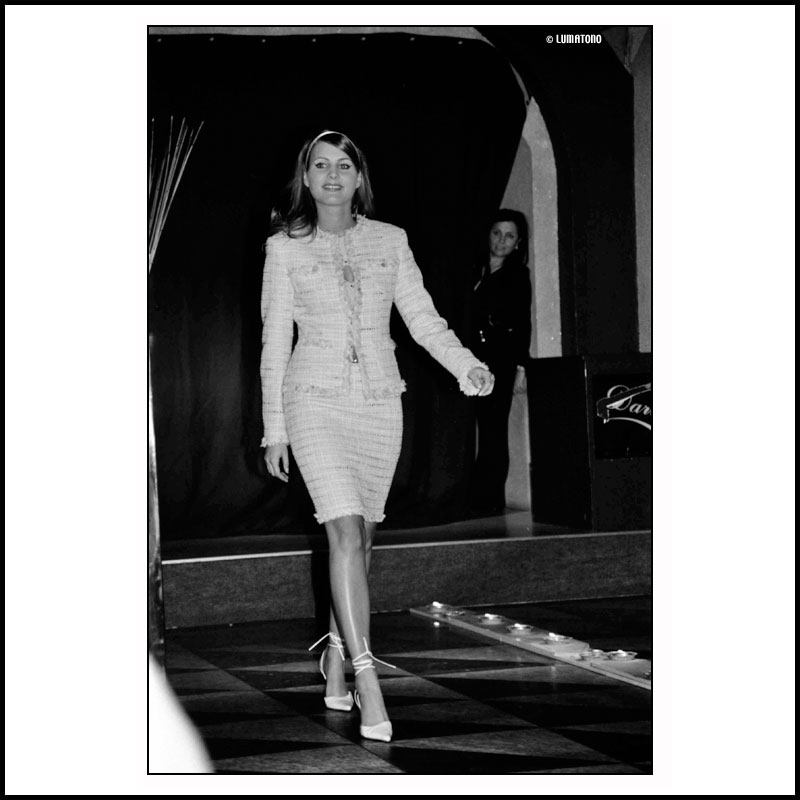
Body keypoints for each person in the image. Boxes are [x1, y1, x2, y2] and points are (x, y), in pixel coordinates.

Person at [260, 130, 494, 743]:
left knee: (362, 539)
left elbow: (423, 319)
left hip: (379, 405)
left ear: (359, 177)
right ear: (305, 178)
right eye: (321, 165)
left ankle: (336, 659)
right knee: (341, 530)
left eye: (344, 165)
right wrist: (273, 428)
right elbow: (273, 341)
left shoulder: (391, 240)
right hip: (312, 401)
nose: (332, 175)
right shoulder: (283, 248)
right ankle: (368, 678)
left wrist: (466, 364)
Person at [470, 209, 532, 516]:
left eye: (509, 236)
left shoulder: (518, 275)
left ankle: (489, 500)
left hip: (500, 361)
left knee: (493, 430)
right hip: (468, 358)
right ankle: (469, 494)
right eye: (497, 233)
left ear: (518, 242)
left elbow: (521, 324)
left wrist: (521, 367)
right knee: (471, 429)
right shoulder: (475, 268)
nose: (502, 241)